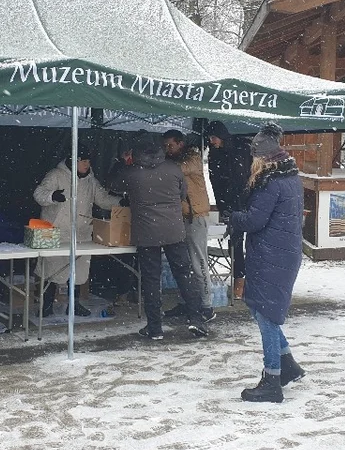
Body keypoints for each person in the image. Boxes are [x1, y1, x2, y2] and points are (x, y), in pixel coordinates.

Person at [227, 123, 305, 403]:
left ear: (264, 158)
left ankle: (272, 380)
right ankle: (288, 366)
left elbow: (255, 221)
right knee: (262, 310)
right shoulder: (291, 178)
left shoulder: (270, 183)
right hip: (283, 253)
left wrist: (233, 217)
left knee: (265, 316)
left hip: (271, 256)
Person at [108, 133, 208, 340]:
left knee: (152, 280)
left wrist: (120, 163)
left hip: (147, 233)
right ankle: (197, 320)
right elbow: (182, 194)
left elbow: (113, 185)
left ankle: (155, 328)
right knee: (184, 274)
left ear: (136, 154)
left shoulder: (132, 172)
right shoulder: (173, 168)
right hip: (174, 229)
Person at [34, 143, 120, 317]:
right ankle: (46, 305)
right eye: (82, 161)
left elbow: (102, 199)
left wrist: (119, 202)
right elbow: (39, 194)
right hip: (55, 232)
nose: (86, 164)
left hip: (80, 234)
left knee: (78, 271)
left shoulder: (90, 180)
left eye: (88, 161)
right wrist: (52, 196)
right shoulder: (56, 175)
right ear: (73, 160)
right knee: (50, 271)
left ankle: (74, 305)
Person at [161, 129, 215, 322]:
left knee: (198, 263)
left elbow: (178, 169)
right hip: (182, 216)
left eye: (170, 145)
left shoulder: (193, 159)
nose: (168, 149)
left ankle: (207, 306)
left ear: (180, 144)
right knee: (184, 265)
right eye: (165, 146)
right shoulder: (175, 160)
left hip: (196, 217)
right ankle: (188, 302)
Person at [207, 120, 252, 299]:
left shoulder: (241, 150)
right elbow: (216, 182)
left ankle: (246, 281)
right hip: (230, 204)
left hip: (246, 201)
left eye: (214, 137)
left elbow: (243, 178)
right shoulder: (215, 154)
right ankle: (238, 281)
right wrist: (223, 205)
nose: (211, 141)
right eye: (210, 138)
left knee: (249, 243)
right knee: (235, 244)